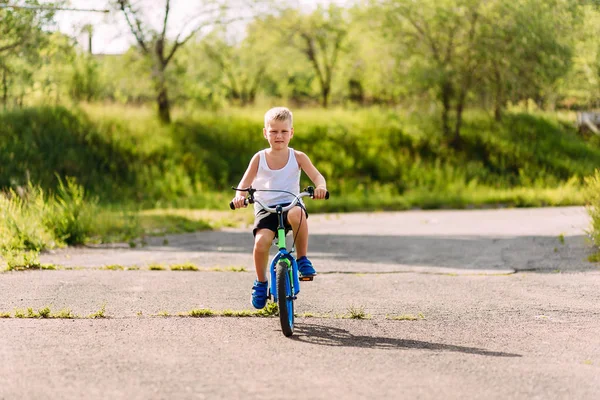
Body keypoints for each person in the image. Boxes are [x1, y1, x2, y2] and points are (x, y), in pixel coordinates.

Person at [230, 106, 328, 309]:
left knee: (299, 213)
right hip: (266, 208)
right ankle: (260, 283)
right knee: (261, 243)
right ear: (265, 132)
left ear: (291, 133)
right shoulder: (259, 158)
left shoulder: (298, 157)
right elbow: (243, 185)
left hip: (291, 204)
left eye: (284, 131)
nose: (279, 136)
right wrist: (239, 197)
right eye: (273, 131)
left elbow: (317, 176)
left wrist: (320, 187)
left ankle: (302, 259)